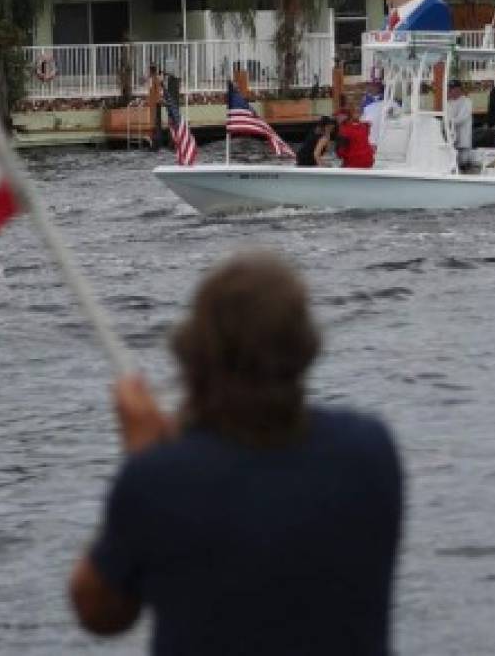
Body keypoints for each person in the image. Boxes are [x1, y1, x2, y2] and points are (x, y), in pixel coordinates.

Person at [69, 252, 404, 655]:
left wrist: (141, 457)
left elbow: (100, 612)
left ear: (194, 354)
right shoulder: (368, 450)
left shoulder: (159, 480)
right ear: (305, 346)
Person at [444, 78, 472, 171]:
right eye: (450, 88)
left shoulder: (467, 101)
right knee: (452, 165)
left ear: (459, 89)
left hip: (464, 140)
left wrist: (450, 122)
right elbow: (447, 118)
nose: (451, 90)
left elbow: (461, 118)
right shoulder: (448, 103)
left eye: (453, 88)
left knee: (463, 163)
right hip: (452, 140)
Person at [335, 105, 374, 169]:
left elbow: (341, 150)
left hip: (353, 161)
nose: (338, 118)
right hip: (367, 160)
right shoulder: (365, 126)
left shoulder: (344, 128)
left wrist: (341, 157)